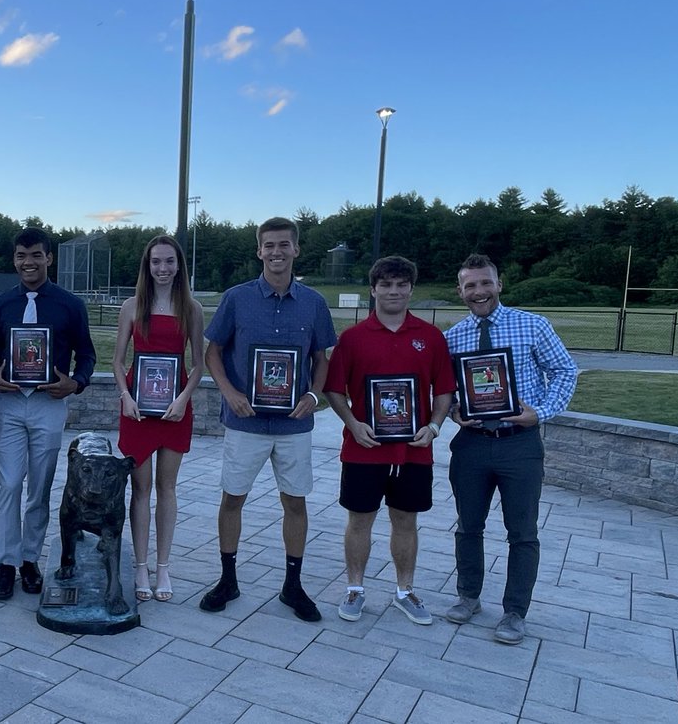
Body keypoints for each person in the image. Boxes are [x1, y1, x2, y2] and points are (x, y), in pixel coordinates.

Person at [199, 216, 336, 621]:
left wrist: (314, 394)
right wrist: (229, 392)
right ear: (259, 250)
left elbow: (321, 358)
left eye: (284, 245)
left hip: (294, 423)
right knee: (233, 499)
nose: (276, 252)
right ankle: (228, 579)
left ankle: (292, 586)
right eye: (269, 245)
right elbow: (212, 352)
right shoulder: (237, 298)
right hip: (246, 421)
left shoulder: (313, 303)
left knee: (295, 502)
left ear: (296, 249)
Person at [443, 253, 578, 644]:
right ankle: (468, 597)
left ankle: (515, 611)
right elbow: (447, 390)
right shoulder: (453, 337)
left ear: (498, 284)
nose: (479, 291)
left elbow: (565, 370)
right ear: (460, 291)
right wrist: (454, 411)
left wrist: (543, 412)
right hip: (471, 446)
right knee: (468, 525)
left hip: (519, 444)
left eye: (485, 283)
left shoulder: (532, 325)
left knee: (522, 532)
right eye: (470, 285)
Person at [323, 256, 455, 626]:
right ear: (374, 289)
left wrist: (433, 427)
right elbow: (333, 390)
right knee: (359, 521)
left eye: (401, 285)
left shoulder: (430, 337)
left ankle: (404, 591)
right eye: (386, 285)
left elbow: (444, 391)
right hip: (364, 450)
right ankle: (355, 588)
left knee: (406, 522)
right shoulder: (351, 338)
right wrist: (352, 423)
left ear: (411, 289)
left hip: (413, 451)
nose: (393, 291)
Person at [0, 227, 96, 600]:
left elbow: (88, 354)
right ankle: (5, 561)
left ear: (49, 258)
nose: (28, 262)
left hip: (49, 403)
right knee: (10, 484)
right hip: (11, 404)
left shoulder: (69, 304)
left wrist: (76, 382)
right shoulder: (1, 304)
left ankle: (29, 560)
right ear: (14, 259)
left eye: (36, 255)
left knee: (40, 488)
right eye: (21, 255)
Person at [112, 235, 204, 603]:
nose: (162, 268)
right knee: (140, 488)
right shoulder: (132, 306)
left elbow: (198, 363)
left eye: (169, 262)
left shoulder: (192, 308)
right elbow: (118, 361)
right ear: (146, 266)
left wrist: (184, 397)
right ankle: (140, 565)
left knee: (167, 488)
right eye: (156, 262)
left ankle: (163, 565)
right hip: (137, 407)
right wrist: (124, 396)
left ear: (179, 265)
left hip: (175, 408)